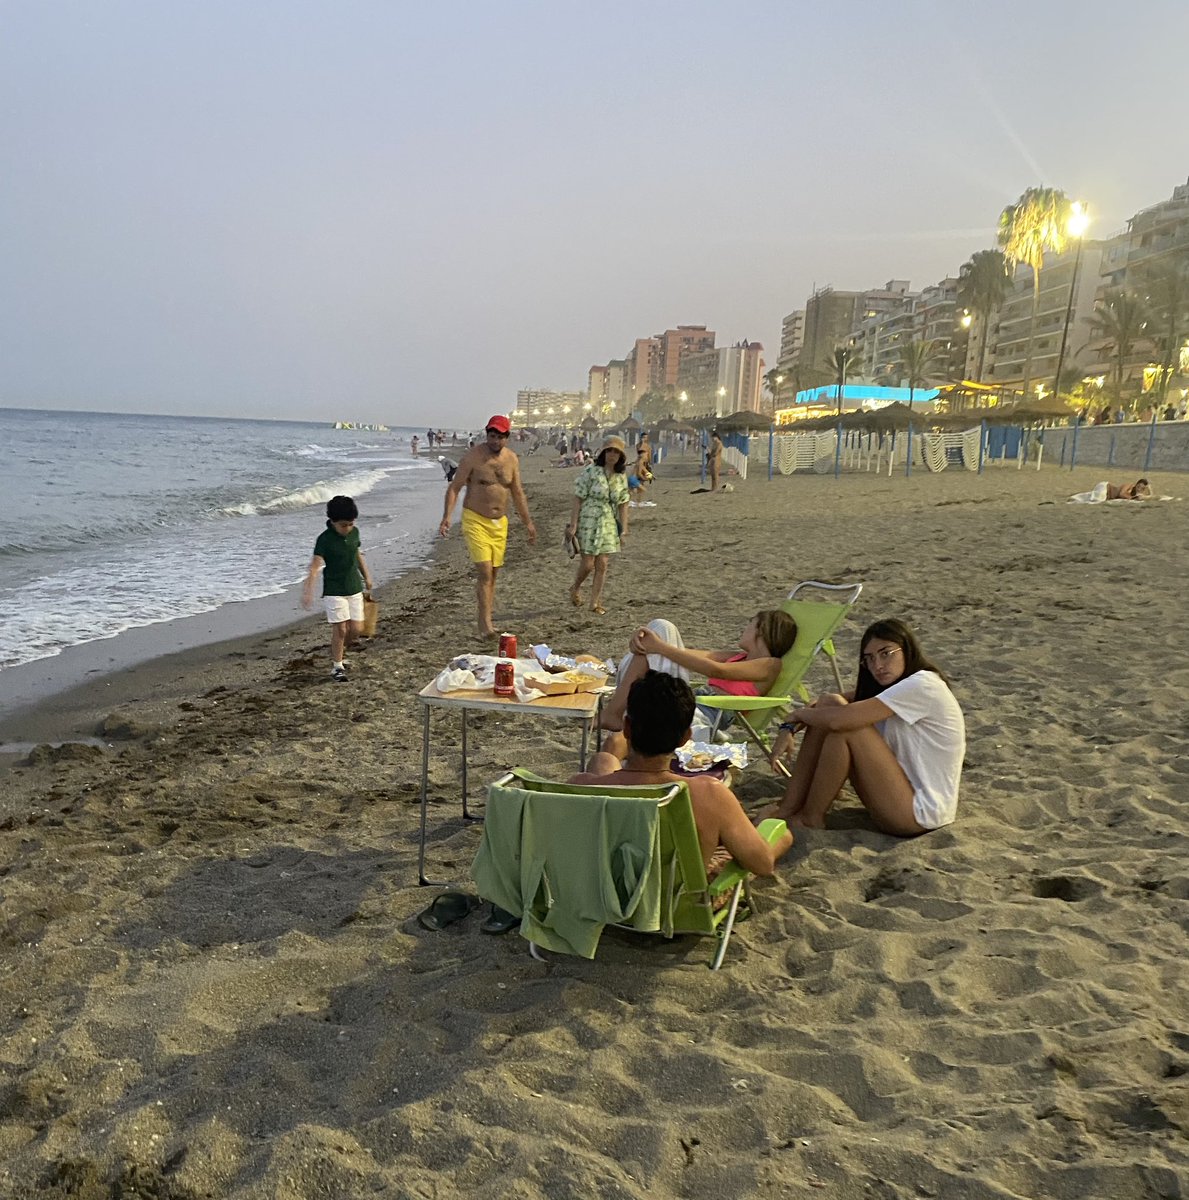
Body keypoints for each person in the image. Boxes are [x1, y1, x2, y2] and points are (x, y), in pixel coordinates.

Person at [572, 670, 793, 877]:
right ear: (686, 738)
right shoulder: (708, 794)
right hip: (673, 907)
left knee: (603, 760)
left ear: (627, 728)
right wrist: (765, 824)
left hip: (600, 903)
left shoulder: (579, 789)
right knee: (782, 834)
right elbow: (762, 865)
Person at [768, 618, 965, 835]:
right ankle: (788, 807)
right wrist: (788, 728)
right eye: (869, 659)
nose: (877, 666)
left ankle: (810, 818)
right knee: (831, 704)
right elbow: (822, 705)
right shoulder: (893, 689)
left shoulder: (923, 684)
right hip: (893, 798)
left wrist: (796, 714)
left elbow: (838, 721)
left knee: (845, 730)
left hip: (921, 813)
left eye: (886, 653)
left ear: (907, 650)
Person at [599, 610, 797, 754]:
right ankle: (616, 713)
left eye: (750, 624)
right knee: (659, 632)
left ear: (761, 630)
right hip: (692, 702)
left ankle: (614, 713)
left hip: (703, 713)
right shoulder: (738, 656)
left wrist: (659, 646)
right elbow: (682, 653)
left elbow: (717, 670)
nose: (744, 628)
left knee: (662, 628)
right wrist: (646, 643)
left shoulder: (771, 664)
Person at [439, 414, 537, 638]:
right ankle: (485, 625)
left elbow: (517, 492)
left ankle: (487, 618)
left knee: (493, 573)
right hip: (475, 519)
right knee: (484, 571)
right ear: (487, 434)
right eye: (492, 435)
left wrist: (528, 523)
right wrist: (447, 517)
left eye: (500, 436)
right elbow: (455, 487)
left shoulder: (512, 459)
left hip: (499, 524)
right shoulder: (473, 457)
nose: (495, 440)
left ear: (507, 437)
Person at [302, 495, 374, 682]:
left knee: (356, 629)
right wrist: (309, 590)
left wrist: (367, 576)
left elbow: (357, 555)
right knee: (340, 629)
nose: (347, 528)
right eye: (343, 525)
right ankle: (337, 666)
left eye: (350, 524)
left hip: (353, 586)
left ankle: (339, 651)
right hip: (334, 590)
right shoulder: (324, 540)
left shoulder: (355, 533)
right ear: (332, 522)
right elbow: (315, 566)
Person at [567, 436, 630, 616]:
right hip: (589, 518)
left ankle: (594, 602)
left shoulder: (620, 477)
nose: (612, 454)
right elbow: (578, 497)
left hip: (609, 521)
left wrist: (623, 529)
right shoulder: (591, 471)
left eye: (616, 452)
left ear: (621, 456)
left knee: (602, 563)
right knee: (588, 564)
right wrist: (573, 524)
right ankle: (575, 587)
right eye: (609, 450)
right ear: (603, 452)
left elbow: (623, 503)